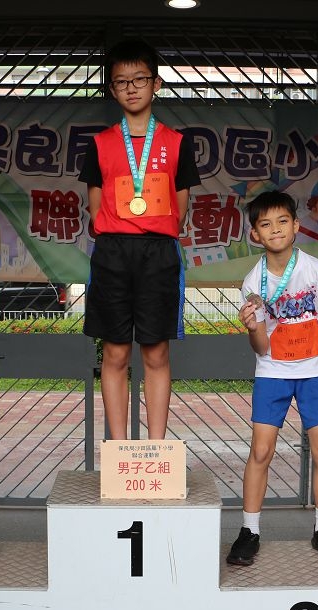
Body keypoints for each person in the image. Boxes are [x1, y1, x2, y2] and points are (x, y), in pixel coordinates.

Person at [79, 39, 200, 441]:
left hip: (158, 253)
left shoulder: (177, 143)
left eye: (140, 79)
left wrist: (151, 227)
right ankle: (118, 448)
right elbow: (94, 205)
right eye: (121, 81)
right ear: (111, 89)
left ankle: (155, 448)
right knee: (114, 352)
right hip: (112, 253)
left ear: (156, 84)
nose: (131, 88)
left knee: (156, 351)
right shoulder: (99, 144)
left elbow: (180, 207)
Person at [227, 190, 318, 566]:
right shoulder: (253, 282)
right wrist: (253, 327)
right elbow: (260, 346)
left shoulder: (315, 269)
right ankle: (249, 530)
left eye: (283, 221)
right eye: (266, 224)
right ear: (255, 234)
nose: (276, 229)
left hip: (316, 371)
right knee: (261, 451)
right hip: (273, 373)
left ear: (296, 225)